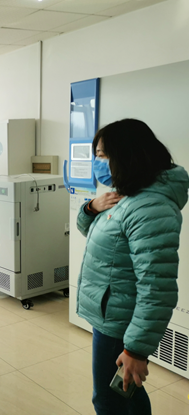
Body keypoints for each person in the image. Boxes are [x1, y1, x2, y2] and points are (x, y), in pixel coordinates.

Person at [77, 118, 188, 415]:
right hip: (112, 314)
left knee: (109, 399)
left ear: (126, 155)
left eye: (102, 155)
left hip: (121, 323)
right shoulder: (128, 194)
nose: (97, 162)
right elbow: (96, 234)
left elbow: (157, 287)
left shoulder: (149, 207)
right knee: (125, 393)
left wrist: (136, 349)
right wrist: (91, 208)